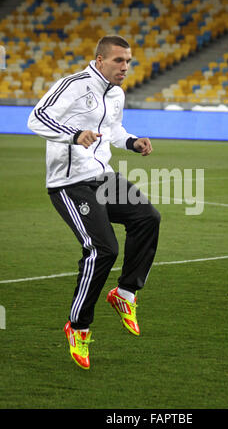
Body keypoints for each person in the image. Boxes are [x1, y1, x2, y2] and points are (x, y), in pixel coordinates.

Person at [27, 35, 160, 370]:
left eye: (128, 61)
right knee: (103, 249)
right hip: (69, 182)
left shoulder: (116, 94)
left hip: (101, 176)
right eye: (119, 61)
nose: (125, 67)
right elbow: (37, 117)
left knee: (148, 217)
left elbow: (113, 129)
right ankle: (79, 326)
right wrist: (73, 135)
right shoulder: (74, 85)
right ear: (99, 60)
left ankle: (125, 293)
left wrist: (132, 142)